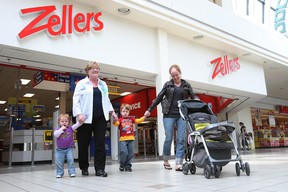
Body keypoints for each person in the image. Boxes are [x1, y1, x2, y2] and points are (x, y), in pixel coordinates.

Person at [144, 64, 197, 171]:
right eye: (173, 76)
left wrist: (197, 100)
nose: (175, 77)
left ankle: (178, 163)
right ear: (170, 76)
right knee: (169, 138)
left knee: (181, 139)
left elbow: (193, 95)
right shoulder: (168, 85)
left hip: (182, 114)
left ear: (180, 73)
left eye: (176, 75)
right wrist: (149, 110)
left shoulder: (186, 85)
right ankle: (166, 160)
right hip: (168, 114)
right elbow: (159, 97)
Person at [73, 61, 118, 177]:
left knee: (100, 143)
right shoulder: (82, 83)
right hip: (85, 118)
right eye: (92, 68)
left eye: (97, 68)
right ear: (87, 71)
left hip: (100, 118)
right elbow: (76, 100)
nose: (95, 70)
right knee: (83, 144)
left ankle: (100, 169)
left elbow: (106, 99)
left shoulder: (103, 84)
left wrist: (112, 112)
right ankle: (84, 167)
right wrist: (78, 114)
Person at [113, 104, 145, 172]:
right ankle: (122, 164)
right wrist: (114, 120)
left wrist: (144, 117)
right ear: (121, 112)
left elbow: (137, 121)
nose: (125, 113)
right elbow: (116, 124)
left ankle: (128, 165)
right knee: (124, 152)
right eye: (123, 111)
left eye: (126, 111)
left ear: (129, 112)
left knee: (130, 153)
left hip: (131, 138)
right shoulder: (120, 119)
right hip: (123, 139)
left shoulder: (131, 119)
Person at [54, 113, 84, 178]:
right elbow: (56, 135)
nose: (64, 123)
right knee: (59, 162)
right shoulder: (57, 130)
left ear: (69, 122)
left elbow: (77, 125)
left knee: (70, 160)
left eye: (66, 121)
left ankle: (72, 172)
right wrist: (61, 129)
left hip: (69, 148)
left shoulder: (71, 128)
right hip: (59, 149)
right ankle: (59, 173)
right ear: (59, 122)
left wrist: (81, 121)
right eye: (62, 121)